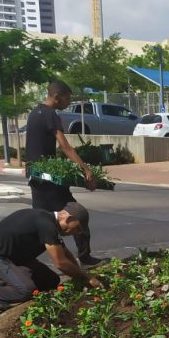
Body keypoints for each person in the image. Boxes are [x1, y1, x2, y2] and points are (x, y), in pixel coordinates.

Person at [0, 203, 105, 321]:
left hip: (17, 258)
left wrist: (82, 276)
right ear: (69, 219)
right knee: (26, 290)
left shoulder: (50, 222)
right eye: (78, 228)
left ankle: (3, 291)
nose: (77, 232)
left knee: (51, 281)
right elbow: (61, 263)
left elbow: (66, 254)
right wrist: (87, 278)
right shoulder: (46, 224)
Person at [25, 79, 103, 269]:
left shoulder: (34, 113)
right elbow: (65, 147)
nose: (69, 102)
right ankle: (84, 258)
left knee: (41, 223)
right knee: (77, 215)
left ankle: (23, 261)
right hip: (49, 178)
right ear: (57, 97)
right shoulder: (51, 114)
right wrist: (86, 169)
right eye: (67, 99)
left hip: (36, 176)